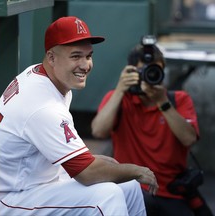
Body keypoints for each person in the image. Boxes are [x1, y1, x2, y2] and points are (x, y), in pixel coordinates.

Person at [0, 16, 158, 216]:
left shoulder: (43, 75)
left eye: (88, 56)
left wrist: (92, 160)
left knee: (129, 187)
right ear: (51, 57)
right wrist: (136, 169)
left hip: (33, 180)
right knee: (108, 195)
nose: (85, 65)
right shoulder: (43, 105)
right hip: (10, 197)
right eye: (75, 56)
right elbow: (87, 174)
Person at [91, 37, 213, 216]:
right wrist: (120, 90)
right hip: (132, 189)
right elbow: (98, 131)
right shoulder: (119, 99)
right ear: (131, 72)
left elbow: (189, 139)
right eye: (143, 71)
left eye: (155, 70)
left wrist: (162, 102)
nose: (150, 76)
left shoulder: (177, 100)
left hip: (171, 193)